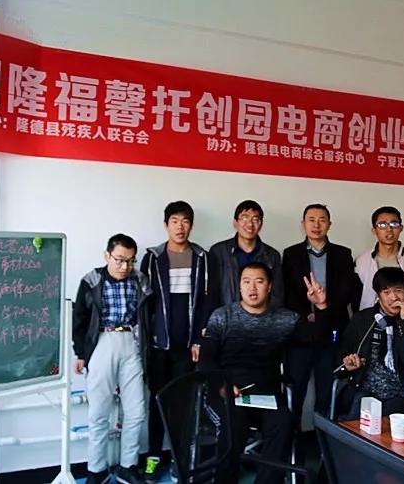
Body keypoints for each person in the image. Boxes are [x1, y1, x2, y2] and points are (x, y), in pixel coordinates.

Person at [200, 262, 328, 484]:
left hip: (266, 396)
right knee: (233, 427)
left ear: (269, 287)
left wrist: (321, 306)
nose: (252, 288)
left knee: (284, 423)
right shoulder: (222, 316)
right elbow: (206, 358)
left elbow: (317, 338)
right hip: (227, 393)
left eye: (259, 282)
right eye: (246, 282)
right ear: (239, 286)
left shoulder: (285, 319)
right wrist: (222, 385)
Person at [139, 201, 213, 482]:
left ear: (191, 225)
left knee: (184, 403)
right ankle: (153, 456)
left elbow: (208, 301)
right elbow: (145, 304)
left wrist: (199, 339)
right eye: (174, 221)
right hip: (159, 346)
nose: (180, 227)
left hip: (188, 347)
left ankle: (179, 458)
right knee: (157, 402)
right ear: (166, 225)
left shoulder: (203, 258)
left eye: (185, 221)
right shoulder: (153, 258)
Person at [72, 234, 152, 484]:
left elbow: (149, 316)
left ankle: (128, 465)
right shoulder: (91, 280)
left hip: (132, 342)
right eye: (119, 260)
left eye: (130, 260)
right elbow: (79, 317)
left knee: (136, 410)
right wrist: (80, 353)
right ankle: (96, 470)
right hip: (102, 342)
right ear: (107, 255)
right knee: (99, 412)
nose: (125, 266)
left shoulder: (140, 280)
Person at [281, 203, 359, 428]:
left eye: (322, 220)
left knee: (327, 392)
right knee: (295, 391)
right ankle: (293, 441)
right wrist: (308, 313)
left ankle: (323, 443)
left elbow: (346, 292)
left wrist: (323, 309)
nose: (316, 225)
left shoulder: (343, 254)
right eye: (311, 220)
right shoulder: (291, 254)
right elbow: (288, 292)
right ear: (303, 224)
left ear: (329, 224)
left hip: (332, 332)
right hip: (301, 333)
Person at [336, 267, 404, 420]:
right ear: (378, 295)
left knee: (384, 417)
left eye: (399, 290)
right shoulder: (362, 320)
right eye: (386, 292)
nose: (394, 297)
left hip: (399, 394)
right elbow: (342, 355)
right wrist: (349, 363)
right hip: (365, 389)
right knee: (357, 416)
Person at [354, 206, 404, 322]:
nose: (389, 229)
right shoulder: (361, 262)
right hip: (370, 325)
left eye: (394, 224)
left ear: (401, 228)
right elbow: (355, 299)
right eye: (382, 225)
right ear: (374, 230)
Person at [208, 200, 284, 309]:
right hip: (228, 315)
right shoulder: (218, 252)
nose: (250, 224)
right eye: (244, 218)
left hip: (262, 317)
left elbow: (277, 294)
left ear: (261, 225)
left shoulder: (272, 255)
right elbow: (212, 293)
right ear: (235, 223)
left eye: (255, 219)